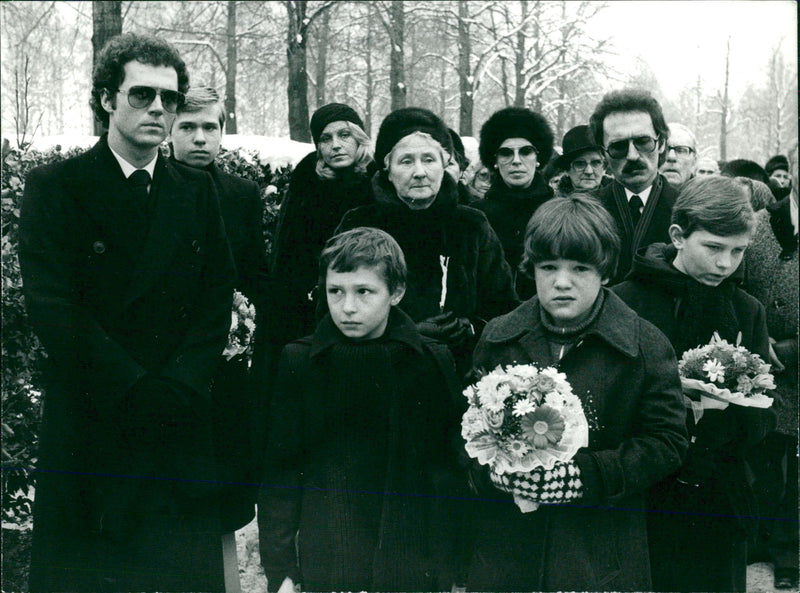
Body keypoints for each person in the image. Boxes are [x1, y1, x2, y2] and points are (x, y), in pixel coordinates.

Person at [20, 34, 236, 591]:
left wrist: (180, 384)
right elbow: (52, 306)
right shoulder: (56, 188)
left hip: (176, 420)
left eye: (170, 97)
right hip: (93, 420)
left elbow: (217, 297)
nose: (159, 110)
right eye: (142, 95)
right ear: (106, 100)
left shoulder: (196, 191)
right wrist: (132, 385)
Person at [464, 194, 688, 592]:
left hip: (599, 553)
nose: (561, 282)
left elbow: (667, 441)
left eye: (579, 268)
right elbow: (465, 428)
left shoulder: (644, 345)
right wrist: (489, 472)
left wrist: (586, 476)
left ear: (604, 271)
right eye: (548, 267)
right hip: (508, 551)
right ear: (530, 267)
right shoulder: (500, 336)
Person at [258, 227, 463, 592]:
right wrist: (282, 568)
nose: (347, 307)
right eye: (336, 291)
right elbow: (281, 473)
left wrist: (447, 568)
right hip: (331, 550)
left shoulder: (429, 361)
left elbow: (444, 473)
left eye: (364, 292)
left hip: (409, 556)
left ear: (395, 292)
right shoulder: (301, 361)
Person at [613, 176, 778, 592]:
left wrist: (732, 415)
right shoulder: (626, 302)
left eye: (738, 251)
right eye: (713, 248)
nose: (725, 264)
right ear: (678, 235)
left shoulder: (746, 310)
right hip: (643, 496)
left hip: (718, 499)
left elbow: (765, 414)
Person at [335, 107, 518, 371]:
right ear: (387, 168)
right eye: (406, 161)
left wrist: (471, 327)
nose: (420, 172)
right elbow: (335, 308)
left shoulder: (470, 225)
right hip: (378, 371)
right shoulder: (359, 224)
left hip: (457, 377)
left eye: (429, 159)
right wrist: (403, 331)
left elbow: (503, 306)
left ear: (444, 165)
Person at [170, 86, 268, 569]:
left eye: (211, 127)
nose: (200, 138)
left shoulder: (240, 194)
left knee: (221, 487)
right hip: (167, 363)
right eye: (188, 127)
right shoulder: (153, 189)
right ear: (168, 129)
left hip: (225, 367)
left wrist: (243, 323)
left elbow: (253, 274)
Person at [267, 102, 375, 369]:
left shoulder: (377, 180)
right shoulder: (307, 179)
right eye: (326, 139)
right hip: (308, 303)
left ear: (359, 137)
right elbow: (287, 252)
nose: (336, 145)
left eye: (344, 135)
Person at [744, 179, 799, 590]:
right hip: (757, 365)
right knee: (764, 457)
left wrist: (793, 348)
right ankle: (757, 540)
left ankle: (790, 552)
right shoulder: (759, 223)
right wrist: (755, 340)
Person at [589, 89, 679, 284]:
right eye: (618, 146)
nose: (632, 155)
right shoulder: (586, 212)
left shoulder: (687, 210)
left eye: (643, 142)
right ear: (603, 153)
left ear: (662, 143)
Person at [475, 107, 555, 298]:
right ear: (494, 161)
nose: (516, 161)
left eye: (526, 152)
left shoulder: (559, 210)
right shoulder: (476, 216)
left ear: (538, 158)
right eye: (506, 153)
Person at [552, 124, 607, 196]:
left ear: (604, 167)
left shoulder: (620, 200)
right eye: (580, 164)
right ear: (567, 169)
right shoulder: (553, 205)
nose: (589, 171)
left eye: (596, 163)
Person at [658, 122, 697, 191]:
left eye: (681, 150)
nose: (671, 157)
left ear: (694, 162)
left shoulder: (709, 200)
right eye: (665, 149)